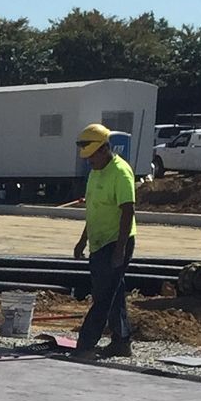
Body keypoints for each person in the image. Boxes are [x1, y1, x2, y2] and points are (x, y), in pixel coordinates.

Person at [71, 122, 136, 357]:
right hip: (99, 242)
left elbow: (128, 210)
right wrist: (82, 240)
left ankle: (86, 344)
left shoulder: (120, 172)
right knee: (113, 292)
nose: (89, 161)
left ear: (103, 149)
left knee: (104, 295)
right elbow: (94, 210)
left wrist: (120, 250)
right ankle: (121, 341)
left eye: (92, 157)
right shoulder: (95, 173)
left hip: (117, 241)